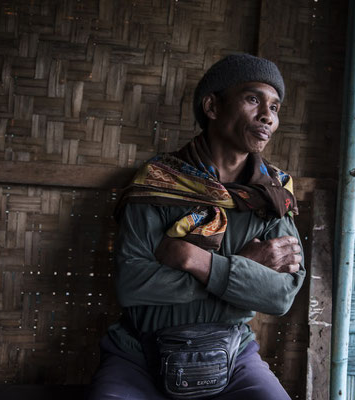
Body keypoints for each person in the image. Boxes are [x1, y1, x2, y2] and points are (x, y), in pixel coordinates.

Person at [88, 53, 305, 400]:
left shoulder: (273, 195)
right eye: (253, 99)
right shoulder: (158, 182)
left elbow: (281, 295)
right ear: (212, 107)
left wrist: (198, 262)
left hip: (233, 356)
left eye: (275, 107)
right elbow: (132, 284)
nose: (267, 116)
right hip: (140, 354)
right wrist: (244, 270)